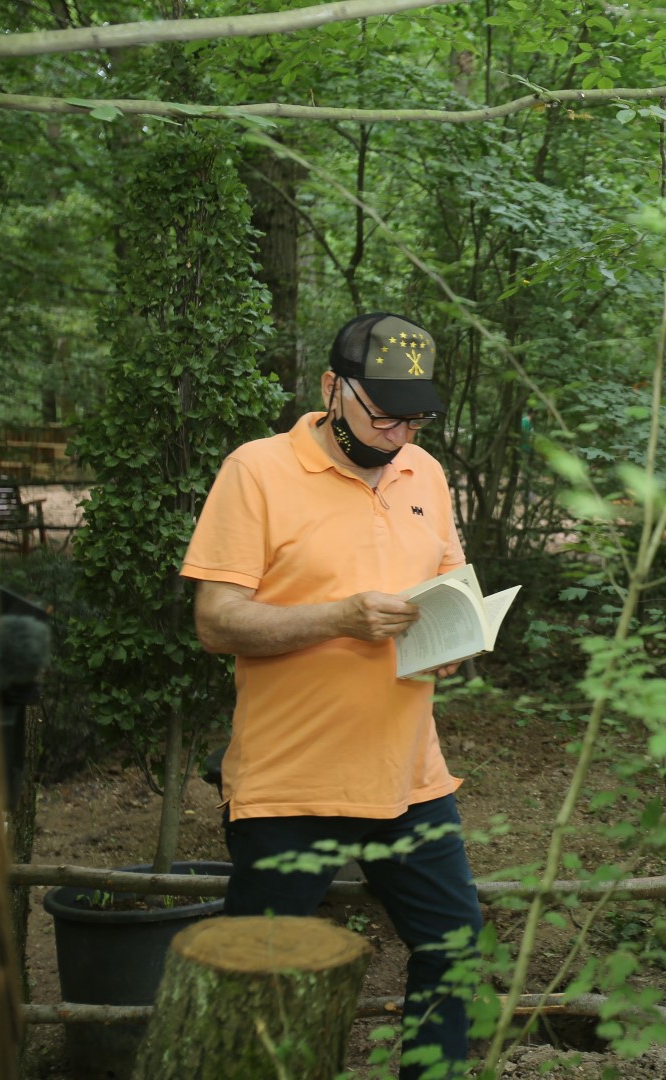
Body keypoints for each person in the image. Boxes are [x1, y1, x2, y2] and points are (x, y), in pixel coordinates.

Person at [181, 313, 482, 1079]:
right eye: (382, 411)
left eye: (413, 415)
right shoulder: (256, 471)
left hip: (410, 777)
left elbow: (451, 585)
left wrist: (452, 640)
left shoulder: (428, 474)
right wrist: (341, 617)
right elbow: (216, 624)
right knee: (261, 978)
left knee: (454, 946)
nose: (398, 431)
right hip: (292, 783)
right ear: (330, 387)